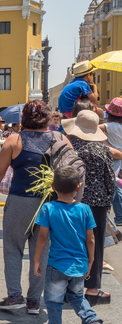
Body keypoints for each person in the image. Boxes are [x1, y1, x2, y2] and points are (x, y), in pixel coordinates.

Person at [0, 100, 74, 315]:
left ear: (23, 119)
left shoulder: (14, 140)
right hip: (50, 203)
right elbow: (72, 170)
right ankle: (34, 301)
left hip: (20, 201)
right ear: (48, 117)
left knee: (13, 248)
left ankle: (14, 296)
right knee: (43, 251)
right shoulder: (60, 139)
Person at [34, 166, 102, 324]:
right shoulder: (85, 209)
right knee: (77, 297)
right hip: (79, 266)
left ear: (52, 186)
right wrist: (90, 261)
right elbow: (90, 239)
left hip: (56, 265)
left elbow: (42, 237)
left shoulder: (48, 208)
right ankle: (91, 319)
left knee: (53, 302)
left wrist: (37, 260)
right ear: (79, 186)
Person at [63, 110, 114, 306]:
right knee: (96, 244)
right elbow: (110, 180)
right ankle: (92, 290)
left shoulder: (72, 149)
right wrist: (108, 201)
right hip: (98, 204)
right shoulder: (103, 150)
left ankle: (69, 289)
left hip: (74, 201)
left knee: (72, 244)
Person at [99, 97, 122, 226]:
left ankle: (106, 217)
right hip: (120, 160)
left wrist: (104, 142)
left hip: (112, 159)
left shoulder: (112, 126)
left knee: (110, 187)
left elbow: (95, 128)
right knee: (113, 187)